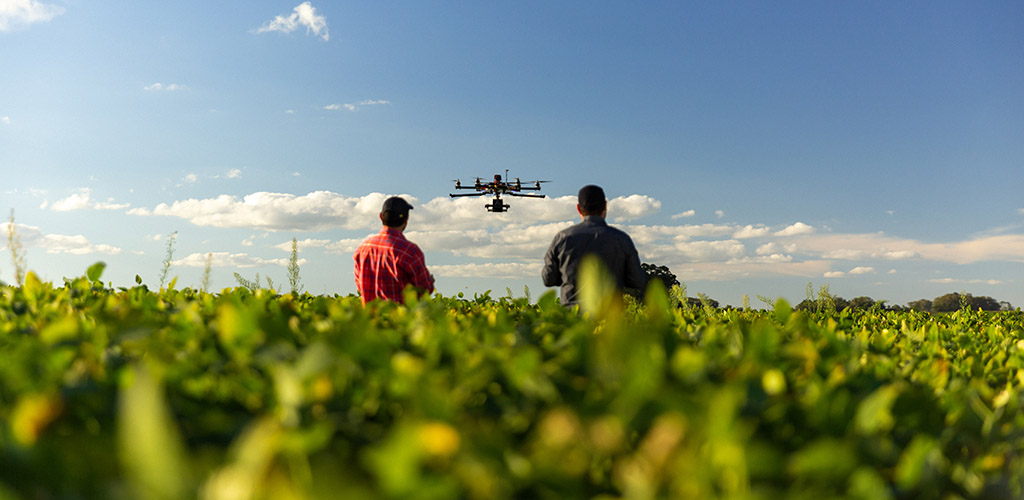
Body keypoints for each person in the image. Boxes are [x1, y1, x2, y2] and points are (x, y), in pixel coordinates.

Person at [542, 185, 646, 307]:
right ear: (605, 206)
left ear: (578, 209)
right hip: (609, 319)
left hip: (573, 318)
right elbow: (637, 280)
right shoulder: (622, 239)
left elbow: (548, 279)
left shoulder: (562, 238)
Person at [353, 196, 435, 304]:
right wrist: (429, 281)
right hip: (401, 319)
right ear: (406, 219)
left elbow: (361, 286)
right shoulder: (410, 251)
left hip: (369, 319)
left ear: (381, 217)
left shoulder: (362, 249)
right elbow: (424, 290)